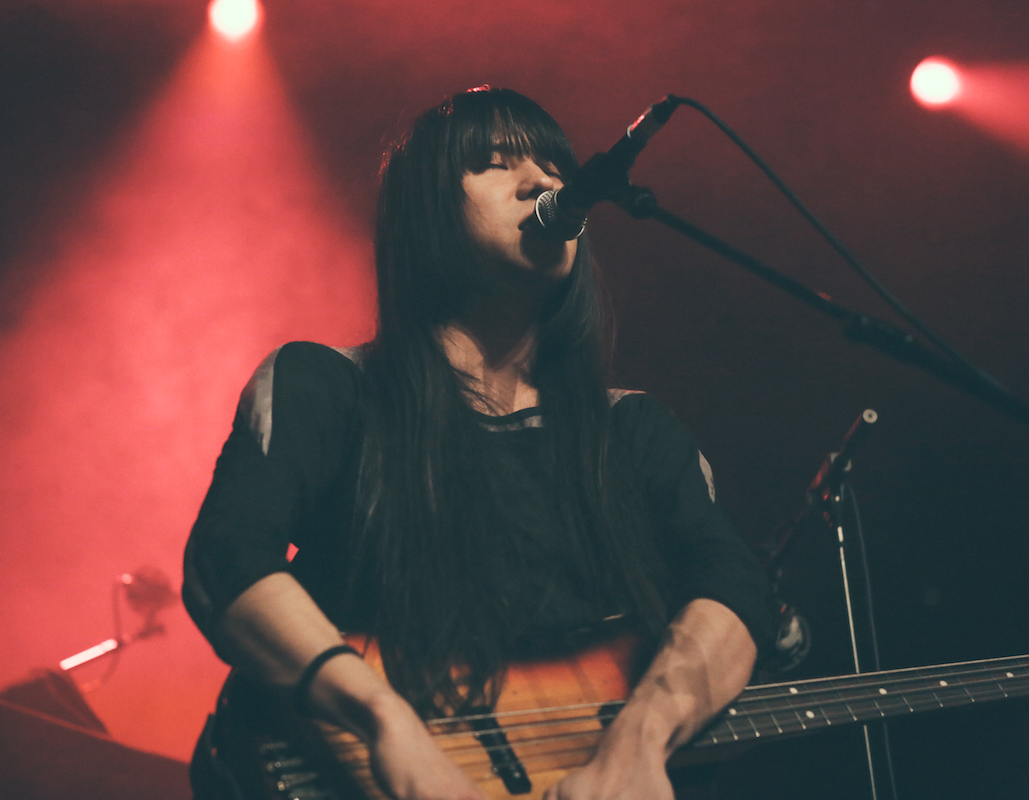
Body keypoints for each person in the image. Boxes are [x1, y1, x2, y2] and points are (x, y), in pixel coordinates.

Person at [182, 86, 774, 800]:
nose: (544, 180)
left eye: (555, 166)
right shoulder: (328, 385)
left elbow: (735, 587)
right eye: (496, 163)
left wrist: (640, 740)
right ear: (423, 209)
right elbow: (228, 559)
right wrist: (384, 724)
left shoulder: (635, 431)